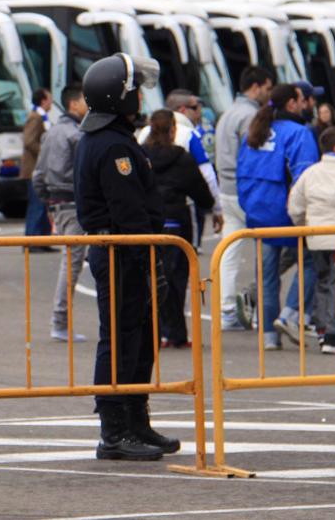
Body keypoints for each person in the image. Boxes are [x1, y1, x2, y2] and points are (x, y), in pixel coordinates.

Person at [73, 53, 177, 462]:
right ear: (118, 97)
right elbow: (129, 212)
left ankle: (136, 420)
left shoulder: (113, 138)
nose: (139, 98)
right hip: (122, 253)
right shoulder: (111, 144)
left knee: (139, 340)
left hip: (128, 252)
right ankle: (114, 431)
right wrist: (149, 259)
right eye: (134, 90)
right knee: (119, 341)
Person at [237, 83, 320, 351]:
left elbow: (241, 172)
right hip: (287, 212)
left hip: (257, 210)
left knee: (266, 275)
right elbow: (304, 177)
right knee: (311, 262)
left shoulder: (255, 131)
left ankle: (269, 336)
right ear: (293, 104)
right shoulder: (299, 133)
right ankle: (289, 314)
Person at [141, 110, 215, 349]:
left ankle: (157, 330)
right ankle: (176, 333)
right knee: (177, 279)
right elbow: (201, 191)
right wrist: (210, 206)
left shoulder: (141, 156)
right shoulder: (181, 157)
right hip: (176, 222)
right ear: (173, 129)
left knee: (152, 277)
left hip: (148, 222)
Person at [288, 125, 335, 354]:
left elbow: (295, 206)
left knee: (322, 283)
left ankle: (322, 331)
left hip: (316, 238)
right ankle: (333, 335)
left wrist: (305, 227)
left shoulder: (310, 172)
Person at [213, 66, 274, 331]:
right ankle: (262, 312)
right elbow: (256, 155)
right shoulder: (251, 115)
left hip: (225, 187)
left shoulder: (227, 113)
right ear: (257, 86)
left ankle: (226, 310)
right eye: (268, 88)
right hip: (246, 190)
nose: (268, 94)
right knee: (266, 250)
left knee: (229, 250)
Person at [32, 84, 88, 343]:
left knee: (72, 262)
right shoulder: (77, 135)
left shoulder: (51, 132)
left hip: (58, 202)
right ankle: (60, 321)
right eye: (85, 101)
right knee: (72, 264)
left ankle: (60, 321)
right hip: (74, 203)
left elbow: (38, 175)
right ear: (74, 104)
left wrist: (48, 201)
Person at [137, 89, 222, 246]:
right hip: (178, 219)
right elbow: (207, 177)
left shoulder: (139, 149)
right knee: (184, 264)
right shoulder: (188, 140)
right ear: (172, 129)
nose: (199, 112)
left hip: (145, 221)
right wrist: (214, 207)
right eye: (195, 107)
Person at [21, 88, 53, 247]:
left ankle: (41, 241)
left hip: (40, 169)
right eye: (49, 99)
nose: (51, 102)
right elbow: (29, 141)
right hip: (35, 169)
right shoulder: (35, 118)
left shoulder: (41, 116)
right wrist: (45, 152)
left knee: (42, 205)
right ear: (42, 101)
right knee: (37, 206)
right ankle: (32, 241)